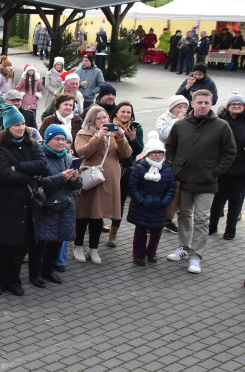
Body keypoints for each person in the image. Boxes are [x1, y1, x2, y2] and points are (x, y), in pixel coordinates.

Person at [165, 90, 237, 273]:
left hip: (207, 181)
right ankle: (183, 247)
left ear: (211, 104)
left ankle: (196, 256)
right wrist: (175, 167)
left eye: (206, 102)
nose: (203, 105)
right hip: (184, 178)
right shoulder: (180, 125)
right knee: (184, 215)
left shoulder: (221, 126)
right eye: (200, 102)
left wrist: (216, 172)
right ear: (192, 103)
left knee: (202, 219)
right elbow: (170, 148)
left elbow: (230, 152)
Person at [0, 105, 48, 296]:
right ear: (7, 128)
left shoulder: (33, 144)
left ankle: (13, 279)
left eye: (22, 124)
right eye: (16, 125)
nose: (21, 127)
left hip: (26, 204)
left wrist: (18, 167)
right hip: (5, 204)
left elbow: (42, 165)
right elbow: (2, 174)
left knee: (20, 244)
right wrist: (30, 176)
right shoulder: (0, 149)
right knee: (1, 244)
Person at [73, 105, 133, 264]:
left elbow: (126, 154)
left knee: (98, 215)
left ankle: (93, 248)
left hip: (109, 180)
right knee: (84, 213)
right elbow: (82, 152)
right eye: (99, 118)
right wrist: (98, 137)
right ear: (92, 120)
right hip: (90, 179)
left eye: (105, 117)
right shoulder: (84, 133)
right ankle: (78, 245)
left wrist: (121, 138)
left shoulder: (114, 134)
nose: (103, 121)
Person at [28, 125, 82, 287]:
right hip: (46, 206)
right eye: (57, 139)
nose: (61, 143)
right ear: (48, 140)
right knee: (41, 242)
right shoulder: (41, 158)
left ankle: (49, 270)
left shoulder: (67, 159)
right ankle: (35, 274)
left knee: (57, 240)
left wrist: (74, 180)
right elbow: (39, 183)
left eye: (63, 139)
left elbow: (77, 185)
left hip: (64, 206)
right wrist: (61, 177)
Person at [128, 132, 177, 265]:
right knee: (140, 233)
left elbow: (171, 188)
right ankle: (138, 255)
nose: (157, 155)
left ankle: (151, 253)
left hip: (159, 207)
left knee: (156, 233)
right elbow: (133, 187)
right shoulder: (140, 167)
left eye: (160, 152)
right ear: (148, 153)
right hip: (141, 206)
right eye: (154, 152)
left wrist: (164, 202)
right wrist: (141, 200)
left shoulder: (167, 169)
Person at [108, 101, 145, 247]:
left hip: (126, 169)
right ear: (116, 113)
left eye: (128, 112)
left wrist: (133, 139)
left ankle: (113, 232)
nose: (125, 115)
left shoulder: (136, 127)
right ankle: (99, 224)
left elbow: (138, 150)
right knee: (103, 198)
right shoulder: (109, 126)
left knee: (120, 201)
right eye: (123, 111)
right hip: (110, 167)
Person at [210, 92, 245, 239]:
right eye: (233, 104)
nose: (236, 106)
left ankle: (230, 230)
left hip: (241, 169)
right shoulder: (221, 120)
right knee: (217, 199)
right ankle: (211, 226)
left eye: (240, 104)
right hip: (223, 167)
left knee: (236, 201)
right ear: (228, 106)